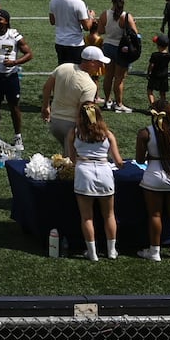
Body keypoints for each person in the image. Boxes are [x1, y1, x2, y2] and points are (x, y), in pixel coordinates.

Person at [134, 100, 170, 261]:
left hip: (153, 177)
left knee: (155, 215)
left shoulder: (145, 133)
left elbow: (139, 159)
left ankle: (154, 252)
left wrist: (152, 156)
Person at [67, 102, 122, 260]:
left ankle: (92, 253)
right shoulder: (108, 134)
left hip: (84, 173)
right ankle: (111, 251)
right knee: (109, 215)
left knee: (87, 217)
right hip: (105, 173)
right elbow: (118, 161)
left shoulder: (74, 133)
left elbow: (72, 159)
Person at [0, 8, 31, 151]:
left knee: (14, 107)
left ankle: (18, 137)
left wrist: (15, 62)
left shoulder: (14, 35)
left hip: (11, 75)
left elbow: (29, 54)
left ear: (6, 21)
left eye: (0, 19)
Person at [40, 45, 104, 147]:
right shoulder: (90, 85)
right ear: (92, 62)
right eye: (99, 63)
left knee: (66, 155)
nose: (101, 66)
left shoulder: (63, 67)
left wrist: (45, 107)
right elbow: (86, 110)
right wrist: (95, 126)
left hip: (55, 122)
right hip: (71, 125)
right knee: (72, 159)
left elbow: (46, 88)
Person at [98, 0, 140, 112]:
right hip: (121, 49)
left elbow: (100, 31)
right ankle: (119, 104)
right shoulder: (126, 17)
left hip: (107, 47)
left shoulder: (104, 14)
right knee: (119, 78)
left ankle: (107, 101)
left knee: (108, 76)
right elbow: (135, 35)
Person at [48, 0, 93, 65]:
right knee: (76, 73)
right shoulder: (79, 3)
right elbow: (87, 27)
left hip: (60, 42)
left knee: (63, 71)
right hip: (75, 43)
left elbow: (52, 21)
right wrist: (91, 16)